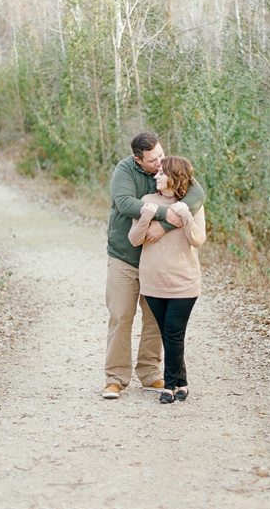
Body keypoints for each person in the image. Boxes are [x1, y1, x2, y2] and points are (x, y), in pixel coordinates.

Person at [102, 133, 205, 399]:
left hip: (158, 264)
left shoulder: (170, 166)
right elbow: (125, 203)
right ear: (139, 160)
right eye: (153, 160)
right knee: (121, 316)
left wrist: (165, 225)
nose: (159, 162)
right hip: (125, 256)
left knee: (155, 321)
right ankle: (115, 378)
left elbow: (197, 194)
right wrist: (163, 213)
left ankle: (149, 373)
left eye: (161, 154)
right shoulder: (125, 170)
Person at [128, 156, 206, 404]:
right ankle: (182, 383)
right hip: (152, 282)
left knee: (173, 333)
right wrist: (144, 217)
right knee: (168, 334)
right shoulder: (148, 202)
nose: (155, 177)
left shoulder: (191, 205)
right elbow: (134, 239)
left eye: (161, 173)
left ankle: (169, 386)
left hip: (183, 282)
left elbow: (197, 240)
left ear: (174, 177)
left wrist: (187, 217)